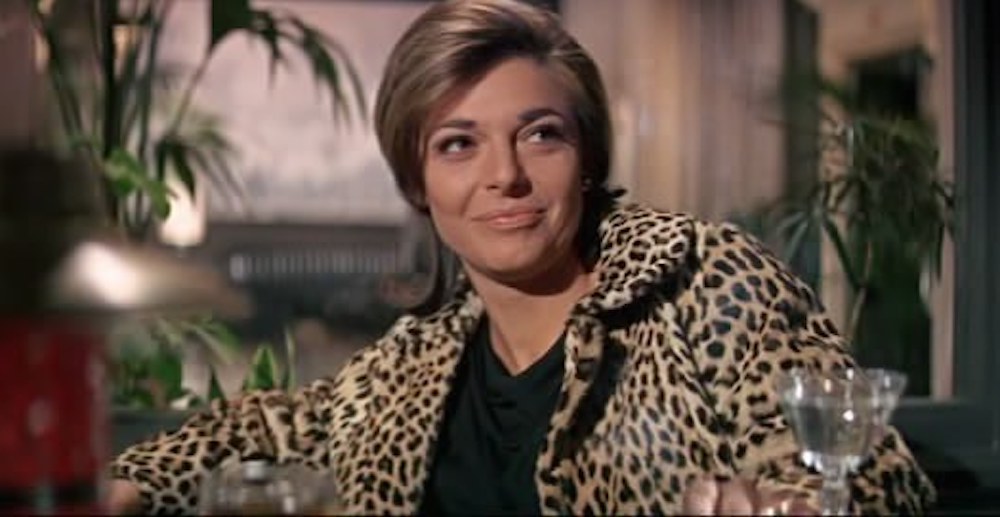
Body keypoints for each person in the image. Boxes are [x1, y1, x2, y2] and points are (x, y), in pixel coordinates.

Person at [108, 0, 936, 514]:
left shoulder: (703, 280)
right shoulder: (414, 361)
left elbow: (864, 470)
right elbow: (277, 425)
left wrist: (785, 504)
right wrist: (131, 483)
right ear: (418, 183)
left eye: (540, 134)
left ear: (588, 155)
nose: (505, 175)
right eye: (458, 144)